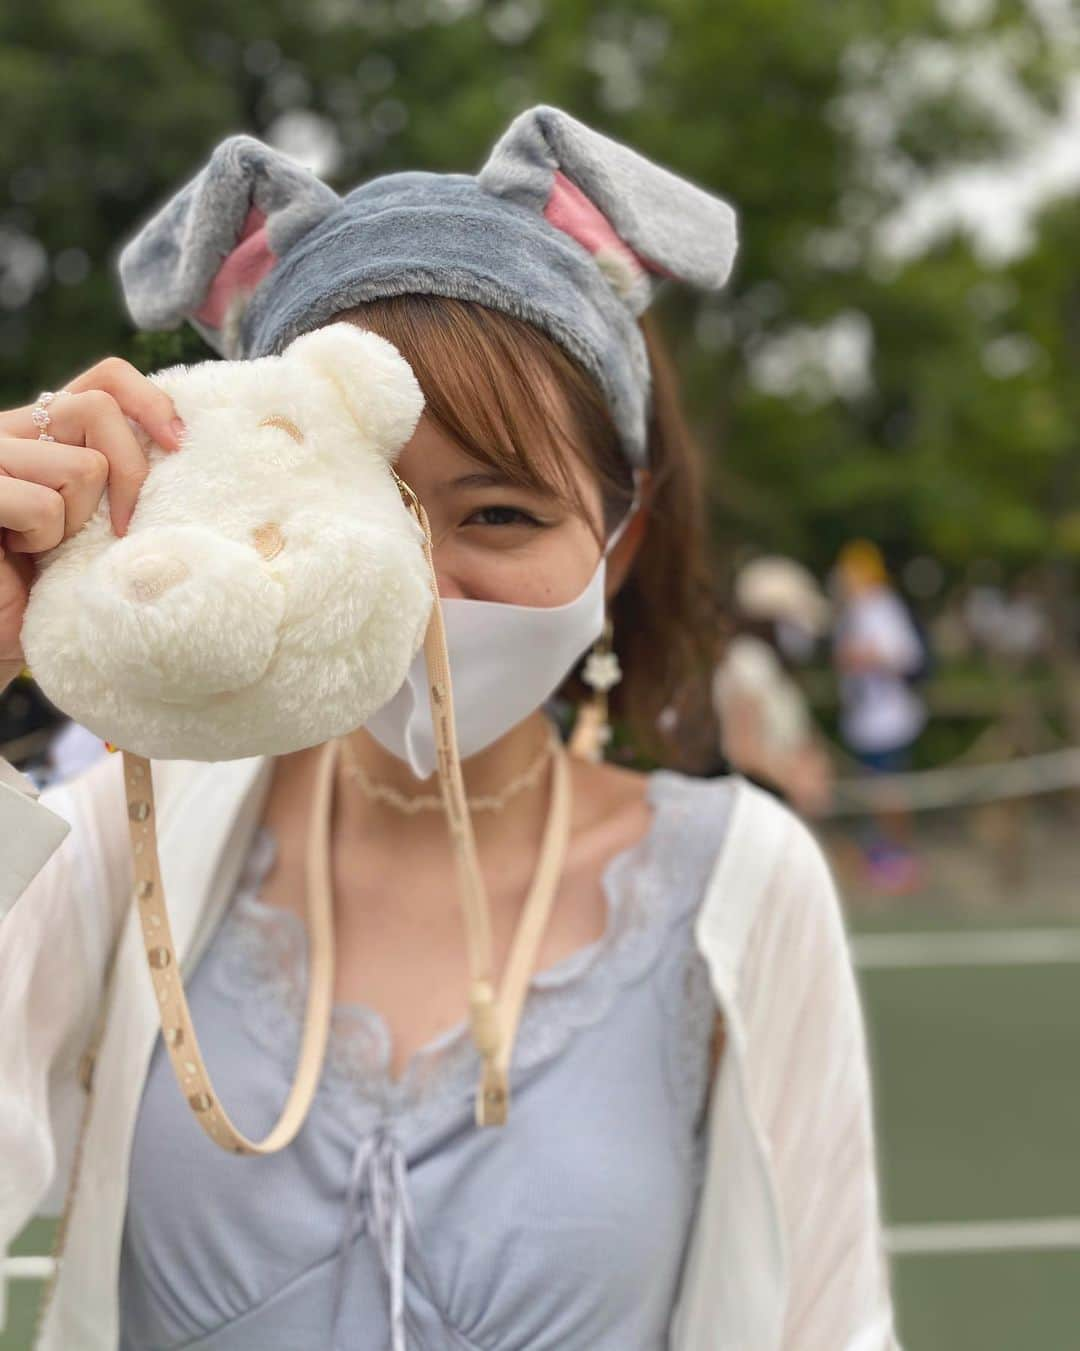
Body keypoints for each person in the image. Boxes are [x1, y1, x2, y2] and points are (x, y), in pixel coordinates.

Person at [0, 107, 899, 1349]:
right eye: (368, 510)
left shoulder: (744, 887)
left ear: (619, 543)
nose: (419, 597)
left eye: (502, 516)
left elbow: (828, 1323)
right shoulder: (118, 842)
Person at [832, 538, 927, 893]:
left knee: (890, 791)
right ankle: (879, 857)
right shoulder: (853, 611)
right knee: (871, 790)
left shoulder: (883, 607)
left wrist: (866, 657)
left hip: (889, 719)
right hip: (863, 719)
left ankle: (901, 859)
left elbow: (906, 657)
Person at [711, 554, 834, 816]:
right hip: (763, 804)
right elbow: (743, 749)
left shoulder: (767, 664)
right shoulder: (746, 662)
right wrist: (796, 783)